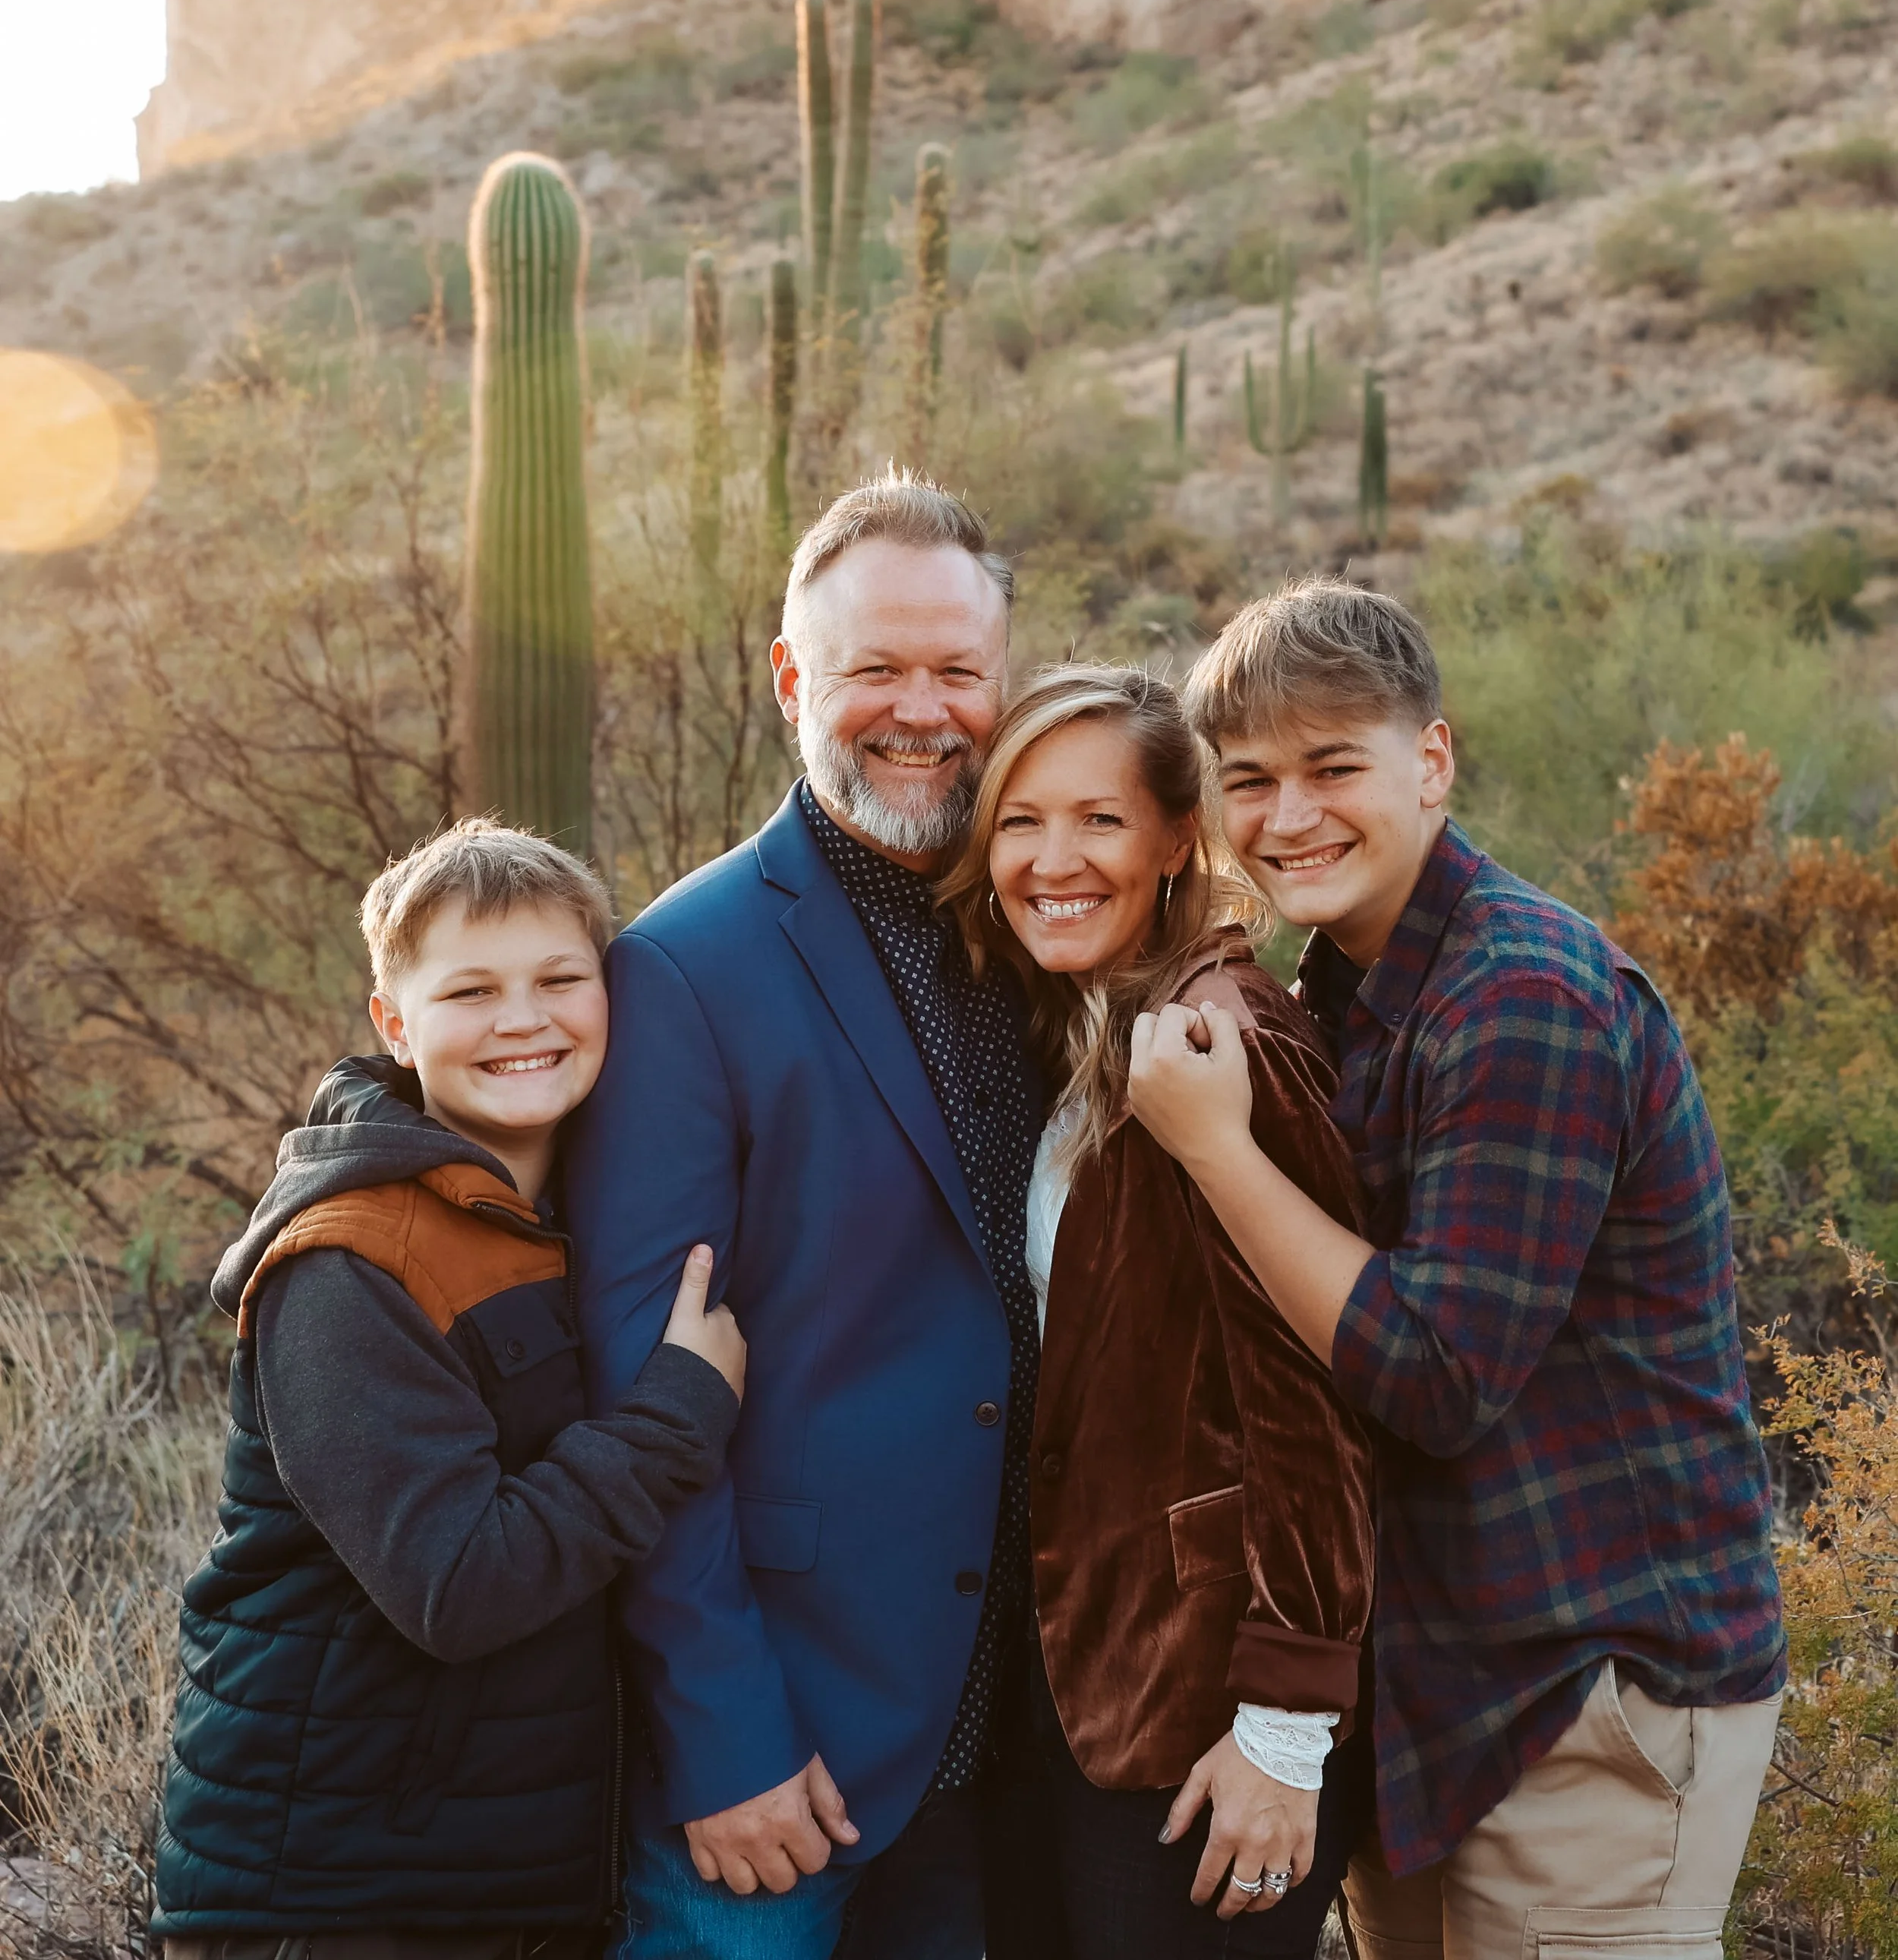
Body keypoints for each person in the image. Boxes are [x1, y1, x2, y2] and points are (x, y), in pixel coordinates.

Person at [1125, 575, 1786, 1960]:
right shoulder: (1346, 987)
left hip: (1585, 1685)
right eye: (1249, 779)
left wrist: (1214, 1150)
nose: (1289, 815)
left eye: (1332, 766)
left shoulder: (1521, 996)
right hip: (1449, 1688)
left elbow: (1436, 1373)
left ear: (1431, 761)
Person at [564, 472, 1042, 1960]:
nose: (921, 708)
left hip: (1014, 1735)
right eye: (872, 668)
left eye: (956, 669)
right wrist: (724, 1734)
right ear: (791, 679)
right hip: (784, 1750)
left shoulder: (1046, 927)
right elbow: (643, 1385)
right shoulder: (683, 969)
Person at [152, 819, 746, 1960]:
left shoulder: (590, 1217)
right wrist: (677, 1410)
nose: (522, 1018)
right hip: (335, 1898)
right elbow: (459, 1582)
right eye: (471, 989)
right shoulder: (349, 1259)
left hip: (504, 1880)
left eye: (558, 979)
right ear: (394, 1021)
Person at [938, 664, 1375, 1959]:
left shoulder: (1225, 1038)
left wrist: (1287, 1733)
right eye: (1019, 820)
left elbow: (1319, 1404)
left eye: (1099, 819)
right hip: (1091, 1687)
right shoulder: (1089, 1030)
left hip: (1210, 1725)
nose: (1051, 858)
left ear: (1180, 836)